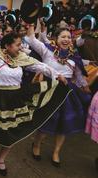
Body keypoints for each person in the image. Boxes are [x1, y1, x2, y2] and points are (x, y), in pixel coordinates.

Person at [0, 27, 70, 176]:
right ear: (7, 46)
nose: (21, 47)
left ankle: (2, 159)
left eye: (21, 44)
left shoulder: (21, 58)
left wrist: (58, 75)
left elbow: (41, 66)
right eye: (18, 45)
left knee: (13, 132)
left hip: (15, 99)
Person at [26, 24, 92, 168]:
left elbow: (79, 77)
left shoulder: (74, 56)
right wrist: (31, 24)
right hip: (49, 90)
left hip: (67, 92)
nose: (66, 39)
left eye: (69, 37)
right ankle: (36, 144)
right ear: (56, 38)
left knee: (63, 124)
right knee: (45, 121)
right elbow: (31, 39)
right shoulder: (47, 50)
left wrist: (86, 89)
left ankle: (56, 152)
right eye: (63, 36)